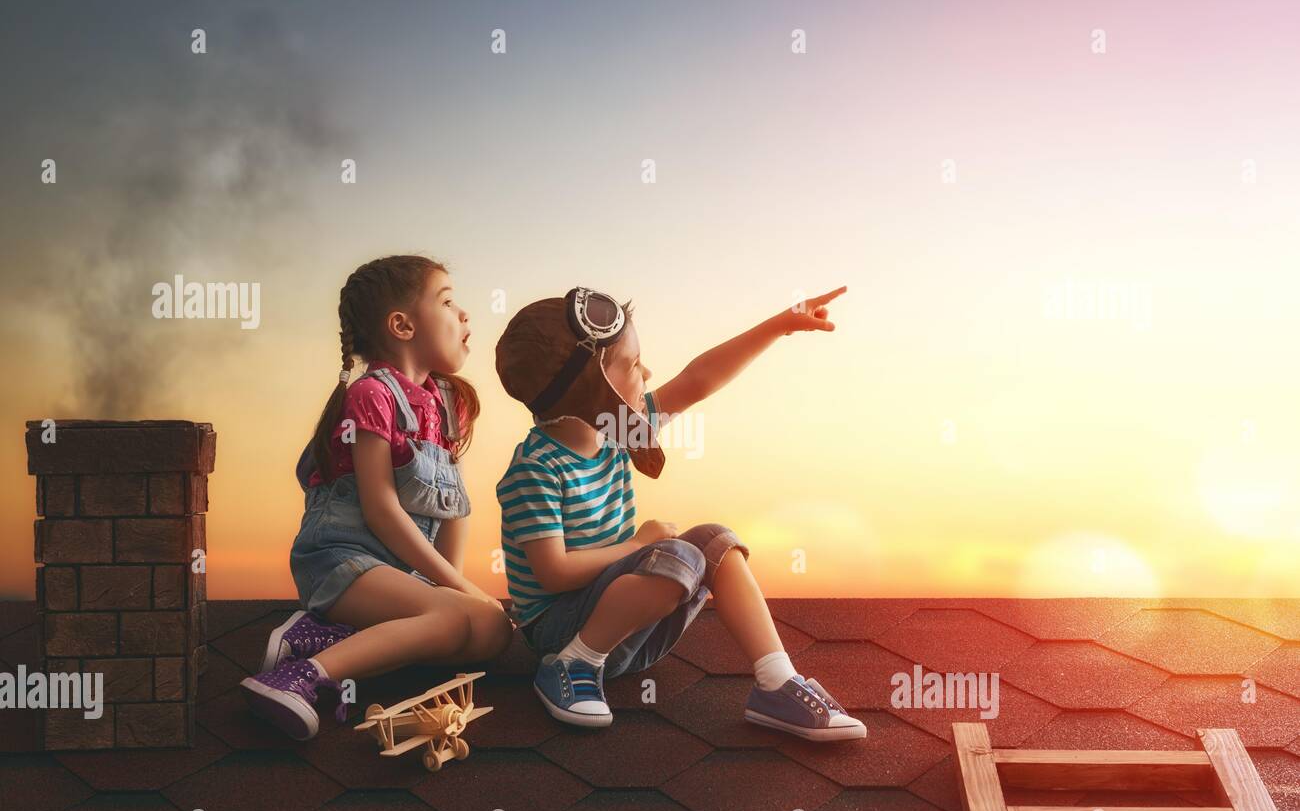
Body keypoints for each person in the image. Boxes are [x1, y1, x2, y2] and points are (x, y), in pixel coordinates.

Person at [493, 285, 864, 741]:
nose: (646, 373)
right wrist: (636, 545)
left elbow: (697, 379)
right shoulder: (536, 469)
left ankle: (777, 680)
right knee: (679, 557)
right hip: (560, 633)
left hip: (629, 633)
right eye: (632, 365)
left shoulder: (618, 428)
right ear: (594, 387)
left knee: (716, 541)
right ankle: (570, 667)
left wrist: (781, 325)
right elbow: (553, 574)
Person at [241, 255, 512, 740]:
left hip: (402, 574)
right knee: (458, 617)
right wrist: (457, 594)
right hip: (342, 561)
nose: (465, 314)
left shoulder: (452, 404)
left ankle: (327, 638)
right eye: (448, 301)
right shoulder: (373, 394)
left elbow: (453, 509)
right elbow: (381, 510)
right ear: (402, 325)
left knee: (492, 631)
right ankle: (300, 678)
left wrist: (455, 589)